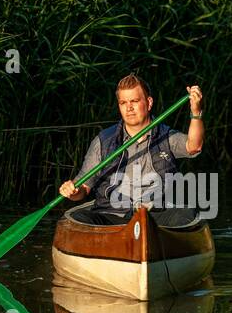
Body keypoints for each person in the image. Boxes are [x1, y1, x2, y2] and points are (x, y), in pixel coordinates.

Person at [58, 74, 204, 227]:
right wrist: (73, 192)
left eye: (134, 101)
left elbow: (194, 146)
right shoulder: (103, 140)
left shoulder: (166, 136)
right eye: (123, 103)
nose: (129, 108)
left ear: (148, 103)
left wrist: (196, 113)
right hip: (112, 214)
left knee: (187, 213)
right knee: (81, 218)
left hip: (157, 215)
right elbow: (83, 188)